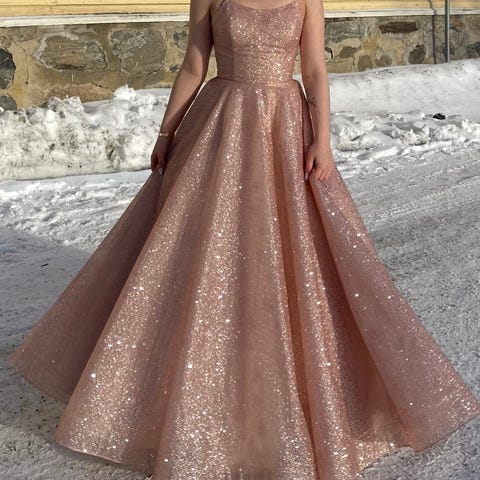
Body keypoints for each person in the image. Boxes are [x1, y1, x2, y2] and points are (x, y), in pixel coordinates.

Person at [8, 0, 480, 478]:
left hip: (283, 127)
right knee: (196, 253)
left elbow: (314, 70)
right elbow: (194, 65)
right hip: (220, 125)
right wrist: (166, 133)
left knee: (291, 255)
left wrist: (322, 140)